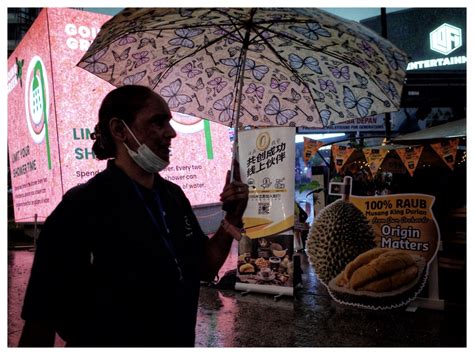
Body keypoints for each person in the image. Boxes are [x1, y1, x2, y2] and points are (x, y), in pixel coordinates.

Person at [18, 85, 249, 347]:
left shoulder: (173, 196)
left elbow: (204, 267)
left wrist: (233, 217)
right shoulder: (80, 206)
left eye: (170, 123)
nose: (171, 133)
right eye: (158, 122)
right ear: (119, 130)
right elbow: (41, 320)